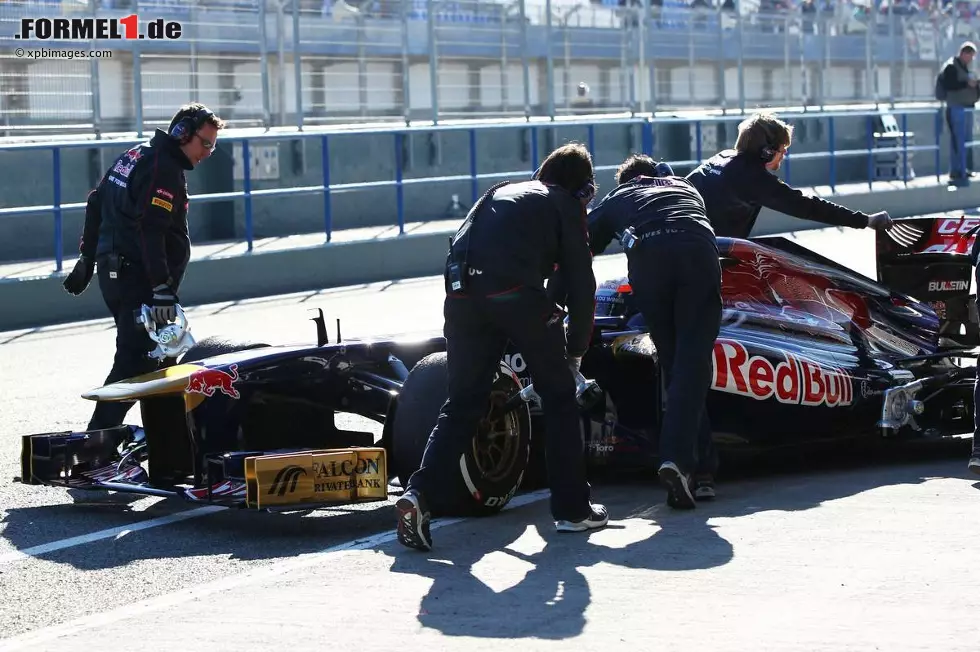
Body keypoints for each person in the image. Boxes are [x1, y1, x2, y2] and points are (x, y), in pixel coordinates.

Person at [395, 143, 608, 551]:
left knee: (462, 405)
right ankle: (573, 511)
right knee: (560, 396)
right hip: (514, 293)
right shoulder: (564, 203)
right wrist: (575, 353)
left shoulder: (499, 191)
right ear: (582, 189)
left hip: (459, 295)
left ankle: (418, 495)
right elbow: (582, 287)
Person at [61, 102, 225, 432]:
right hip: (139, 280)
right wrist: (162, 289)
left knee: (162, 360)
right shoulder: (163, 167)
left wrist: (87, 257)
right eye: (205, 143)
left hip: (120, 274)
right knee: (135, 360)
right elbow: (150, 229)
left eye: (213, 145)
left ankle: (172, 447)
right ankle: (94, 448)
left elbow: (96, 201)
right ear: (182, 134)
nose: (208, 153)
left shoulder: (137, 154)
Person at [583, 154, 721, 509]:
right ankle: (688, 464)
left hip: (650, 264)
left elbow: (579, 243)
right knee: (693, 367)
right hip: (698, 256)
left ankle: (697, 469)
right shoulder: (684, 187)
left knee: (678, 367)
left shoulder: (619, 197)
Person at [686, 111, 894, 239]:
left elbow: (684, 185)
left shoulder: (721, 158)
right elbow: (807, 206)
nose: (783, 156)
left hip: (688, 240)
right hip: (701, 252)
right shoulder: (752, 178)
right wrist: (866, 221)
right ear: (767, 152)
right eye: (782, 150)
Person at [937, 42, 980, 187]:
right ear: (963, 53)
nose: (971, 59)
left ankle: (965, 168)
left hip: (967, 107)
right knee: (958, 140)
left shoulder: (967, 68)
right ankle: (956, 170)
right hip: (956, 108)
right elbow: (950, 85)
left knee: (967, 141)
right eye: (970, 56)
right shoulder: (951, 67)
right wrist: (967, 84)